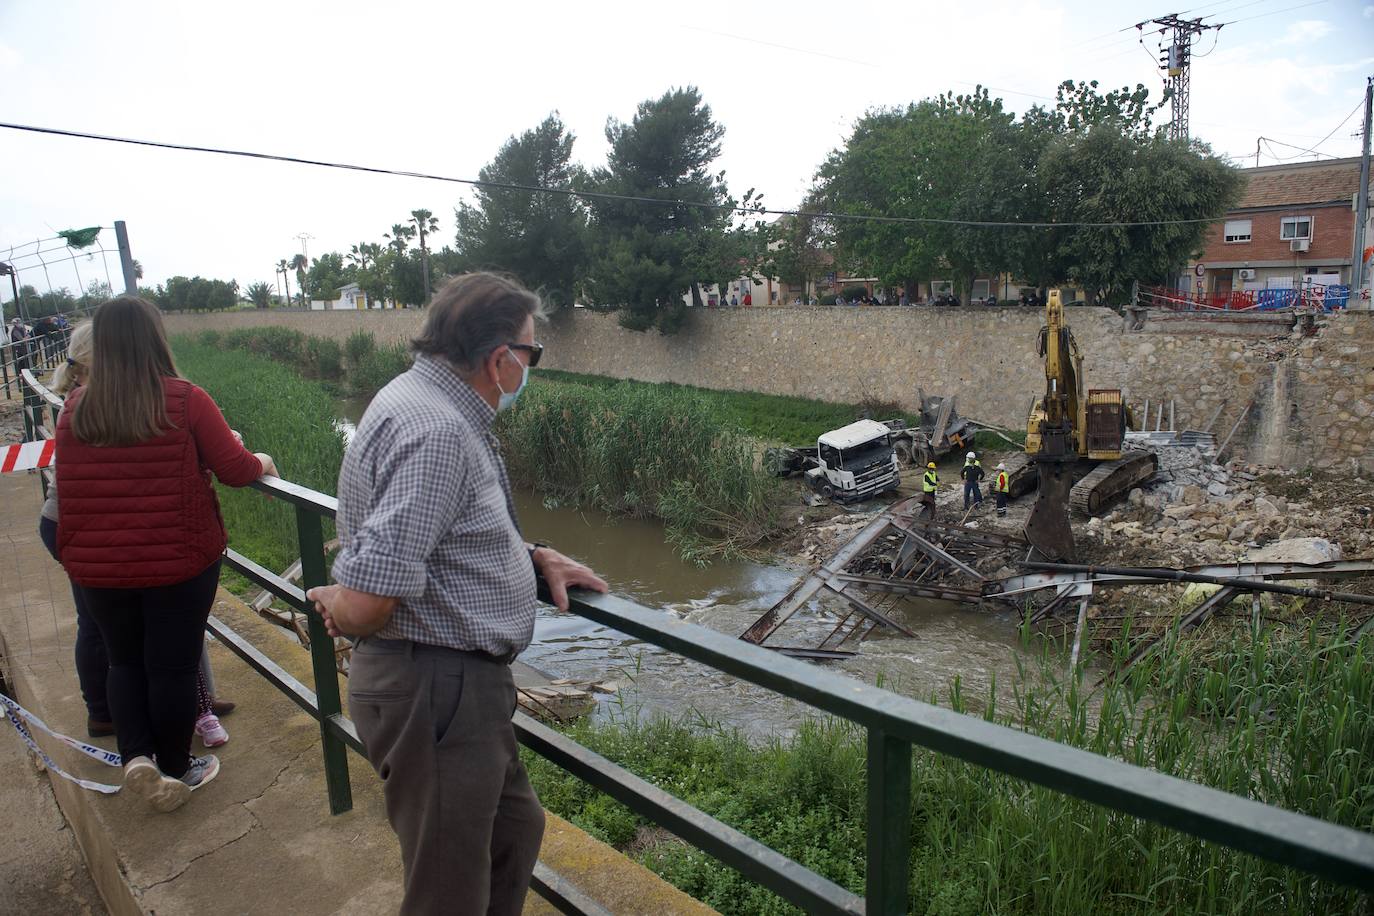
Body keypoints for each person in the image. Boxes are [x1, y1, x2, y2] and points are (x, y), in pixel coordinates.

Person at [307, 272, 608, 916]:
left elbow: (438, 531)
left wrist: (527, 558)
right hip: (438, 689)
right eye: (532, 353)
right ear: (500, 360)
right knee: (448, 891)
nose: (532, 366)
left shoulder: (413, 397)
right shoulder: (441, 432)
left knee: (513, 832)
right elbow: (370, 599)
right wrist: (337, 600)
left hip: (448, 687)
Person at [55, 297, 277, 812]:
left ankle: (137, 757)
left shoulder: (74, 408)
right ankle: (179, 767)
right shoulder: (185, 399)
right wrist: (263, 458)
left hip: (100, 569)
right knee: (173, 667)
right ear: (155, 339)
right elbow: (237, 470)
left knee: (124, 661)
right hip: (178, 565)